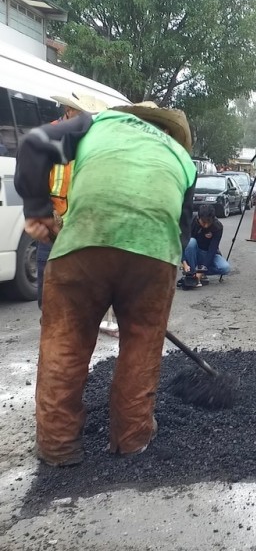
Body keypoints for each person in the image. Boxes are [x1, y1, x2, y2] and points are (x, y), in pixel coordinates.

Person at [14, 101, 196, 466]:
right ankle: (132, 438)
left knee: (66, 340)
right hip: (154, 253)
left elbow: (33, 145)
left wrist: (36, 211)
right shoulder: (181, 158)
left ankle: (58, 444)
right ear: (170, 132)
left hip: (85, 242)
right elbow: (182, 227)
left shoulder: (94, 125)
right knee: (143, 340)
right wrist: (153, 271)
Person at [36, 93, 109, 310]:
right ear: (69, 112)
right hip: (53, 222)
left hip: (80, 224)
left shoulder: (89, 141)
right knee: (49, 287)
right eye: (83, 115)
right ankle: (49, 324)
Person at [180, 204, 231, 289]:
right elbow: (182, 243)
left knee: (225, 268)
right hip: (192, 252)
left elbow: (212, 250)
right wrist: (184, 262)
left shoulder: (217, 227)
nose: (206, 225)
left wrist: (201, 271)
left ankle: (197, 274)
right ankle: (192, 272)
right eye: (203, 222)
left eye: (209, 222)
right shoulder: (191, 221)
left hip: (207, 253)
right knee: (191, 242)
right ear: (198, 218)